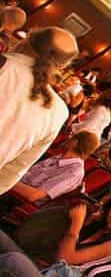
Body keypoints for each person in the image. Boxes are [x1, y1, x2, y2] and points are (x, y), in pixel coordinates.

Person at [0, 27, 78, 194]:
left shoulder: (3, 66)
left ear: (26, 40)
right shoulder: (59, 112)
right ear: (62, 66)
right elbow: (14, 169)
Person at [7, 130, 98, 204]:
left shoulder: (73, 173)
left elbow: (34, 196)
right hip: (14, 186)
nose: (68, 138)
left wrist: (8, 181)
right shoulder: (60, 157)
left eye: (71, 136)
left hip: (17, 200)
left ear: (75, 142)